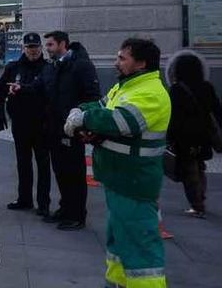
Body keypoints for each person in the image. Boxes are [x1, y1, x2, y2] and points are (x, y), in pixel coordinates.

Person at [64, 38, 171, 288]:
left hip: (135, 183)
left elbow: (119, 121)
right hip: (119, 180)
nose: (116, 62)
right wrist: (81, 113)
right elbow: (101, 107)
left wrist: (85, 118)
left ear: (141, 63)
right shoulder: (125, 87)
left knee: (140, 253)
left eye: (122, 58)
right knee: (118, 242)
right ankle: (117, 283)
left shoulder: (150, 93)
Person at [12, 30, 100, 230]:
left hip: (72, 128)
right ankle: (64, 208)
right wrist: (21, 89)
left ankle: (77, 215)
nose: (47, 49)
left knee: (74, 172)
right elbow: (38, 86)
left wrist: (83, 122)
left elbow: (92, 96)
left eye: (50, 45)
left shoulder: (80, 65)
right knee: (60, 170)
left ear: (63, 44)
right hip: (54, 128)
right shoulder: (52, 66)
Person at [0, 32, 51, 216]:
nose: (32, 51)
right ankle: (24, 199)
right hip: (21, 123)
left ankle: (43, 204)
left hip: (42, 124)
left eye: (35, 47)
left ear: (41, 48)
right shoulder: (13, 68)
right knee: (23, 163)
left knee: (43, 165)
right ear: (23, 48)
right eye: (29, 47)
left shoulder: (48, 69)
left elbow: (51, 94)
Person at [166, 49, 222, 219]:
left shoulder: (176, 89)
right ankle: (200, 199)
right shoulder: (207, 87)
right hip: (204, 133)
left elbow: (173, 116)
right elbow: (217, 110)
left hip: (185, 136)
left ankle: (197, 204)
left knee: (188, 170)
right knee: (200, 166)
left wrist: (170, 136)